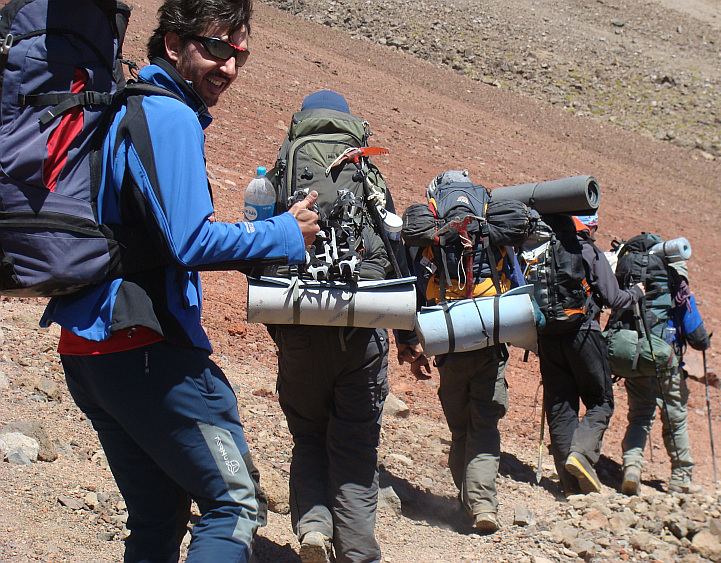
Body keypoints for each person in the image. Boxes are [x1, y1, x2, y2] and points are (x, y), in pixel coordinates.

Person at [40, 1, 319, 561]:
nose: (230, 68)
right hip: (144, 347)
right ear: (173, 45)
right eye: (217, 48)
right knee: (234, 506)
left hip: (90, 348)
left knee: (157, 518)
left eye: (240, 55)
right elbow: (188, 241)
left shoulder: (124, 107)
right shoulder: (168, 115)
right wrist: (285, 234)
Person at [265, 90, 424, 563]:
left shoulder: (283, 169)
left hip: (300, 324)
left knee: (309, 433)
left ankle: (313, 527)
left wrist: (283, 328)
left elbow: (261, 247)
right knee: (355, 447)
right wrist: (407, 338)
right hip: (363, 331)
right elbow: (395, 258)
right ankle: (358, 551)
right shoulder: (367, 173)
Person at [403, 170, 526, 533]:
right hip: (490, 340)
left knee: (460, 430)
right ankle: (482, 504)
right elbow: (518, 284)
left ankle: (467, 500)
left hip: (448, 343)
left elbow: (412, 290)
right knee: (484, 426)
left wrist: (410, 344)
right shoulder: (490, 226)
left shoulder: (430, 232)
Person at [535, 213, 644, 496]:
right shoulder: (588, 249)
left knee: (560, 406)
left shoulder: (542, 247)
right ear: (590, 226)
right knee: (601, 401)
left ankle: (571, 485)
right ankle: (581, 455)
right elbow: (614, 298)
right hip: (584, 332)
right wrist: (636, 292)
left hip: (547, 336)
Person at [611, 233, 711, 496]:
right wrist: (704, 343)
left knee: (640, 417)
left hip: (637, 357)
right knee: (675, 419)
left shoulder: (634, 285)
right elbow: (697, 336)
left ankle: (632, 469)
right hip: (667, 362)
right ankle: (681, 477)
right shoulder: (680, 292)